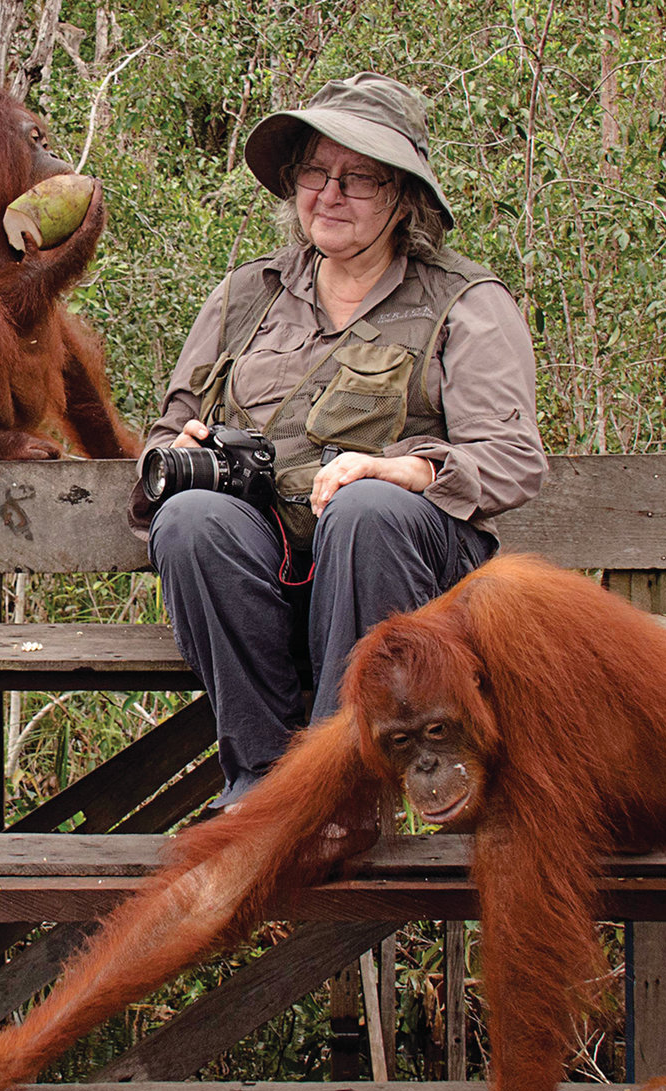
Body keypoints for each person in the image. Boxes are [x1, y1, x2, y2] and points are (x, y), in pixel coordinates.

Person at [137, 72, 547, 808]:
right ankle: (264, 785)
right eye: (314, 173)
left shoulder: (465, 304)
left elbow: (514, 460)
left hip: (401, 577)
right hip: (263, 574)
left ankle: (341, 785)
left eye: (358, 179)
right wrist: (185, 450)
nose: (329, 195)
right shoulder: (245, 297)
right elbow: (164, 436)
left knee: (367, 510)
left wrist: (407, 471)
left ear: (404, 198)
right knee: (191, 519)